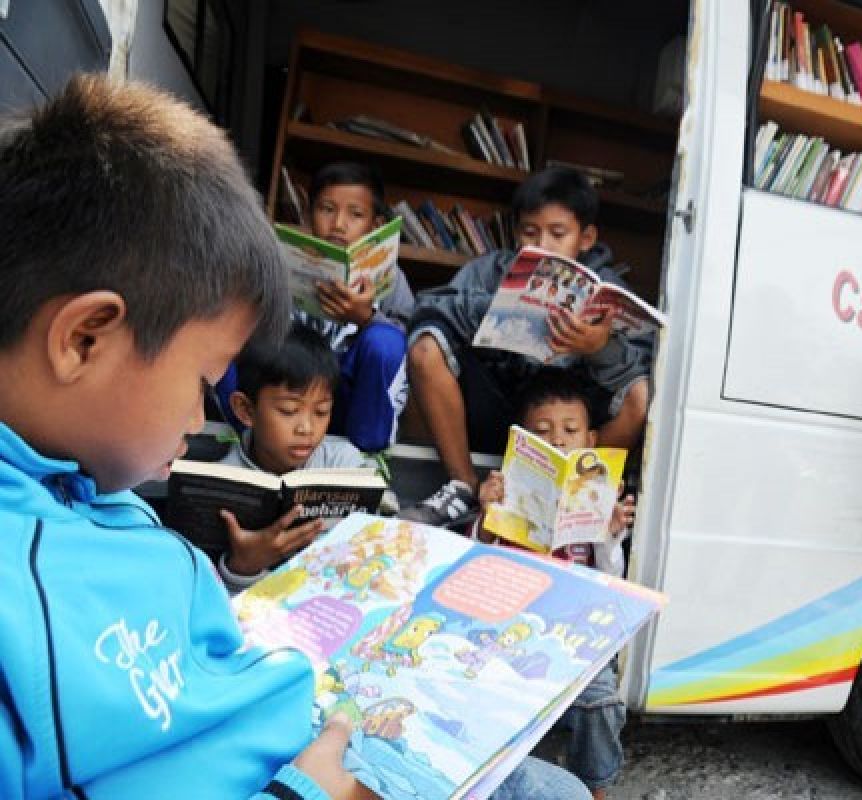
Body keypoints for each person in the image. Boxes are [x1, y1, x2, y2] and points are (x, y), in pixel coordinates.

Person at [0, 75, 588, 800]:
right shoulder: (18, 597)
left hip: (322, 722)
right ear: (85, 338)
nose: (196, 420)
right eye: (201, 381)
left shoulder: (86, 491)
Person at [403, 167, 653, 526]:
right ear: (515, 232)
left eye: (558, 234)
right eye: (529, 233)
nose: (542, 247)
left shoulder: (608, 289)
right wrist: (502, 308)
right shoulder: (489, 271)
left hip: (566, 427)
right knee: (425, 348)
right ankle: (464, 487)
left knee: (640, 398)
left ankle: (575, 498)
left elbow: (642, 368)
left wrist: (600, 347)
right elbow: (429, 312)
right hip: (493, 410)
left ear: (586, 237)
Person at [475, 370, 637, 800]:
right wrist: (488, 517)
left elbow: (610, 580)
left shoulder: (595, 502)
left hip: (576, 634)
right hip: (514, 629)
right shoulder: (506, 490)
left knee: (602, 702)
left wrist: (609, 532)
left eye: (571, 431)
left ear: (591, 441)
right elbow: (476, 565)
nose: (560, 441)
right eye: (543, 433)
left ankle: (594, 787)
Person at [217, 162, 413, 453]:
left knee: (385, 340)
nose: (338, 224)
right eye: (327, 209)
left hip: (347, 398)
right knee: (227, 333)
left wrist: (366, 319)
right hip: (282, 388)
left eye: (355, 214)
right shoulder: (280, 263)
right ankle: (250, 447)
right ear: (308, 215)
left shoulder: (391, 278)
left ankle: (366, 458)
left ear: (376, 226)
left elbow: (399, 355)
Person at [215, 322, 374, 592]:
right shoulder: (222, 481)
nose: (307, 429)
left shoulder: (343, 464)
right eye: (289, 411)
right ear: (245, 410)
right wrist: (243, 567)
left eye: (321, 412)